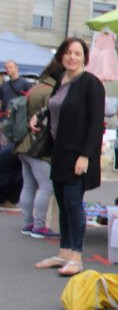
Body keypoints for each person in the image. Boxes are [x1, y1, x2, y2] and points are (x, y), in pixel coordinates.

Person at [31, 38, 105, 276]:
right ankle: (63, 252)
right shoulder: (62, 81)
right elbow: (56, 107)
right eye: (68, 53)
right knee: (62, 203)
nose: (72, 57)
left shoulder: (91, 83)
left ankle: (76, 256)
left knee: (74, 204)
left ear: (84, 57)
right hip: (59, 151)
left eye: (77, 53)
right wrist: (39, 117)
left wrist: (86, 155)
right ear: (61, 56)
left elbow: (95, 124)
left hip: (77, 153)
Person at [16, 60, 60, 238]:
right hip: (38, 146)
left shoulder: (36, 87)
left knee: (29, 185)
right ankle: (39, 226)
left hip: (23, 143)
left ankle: (28, 223)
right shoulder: (50, 91)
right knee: (46, 186)